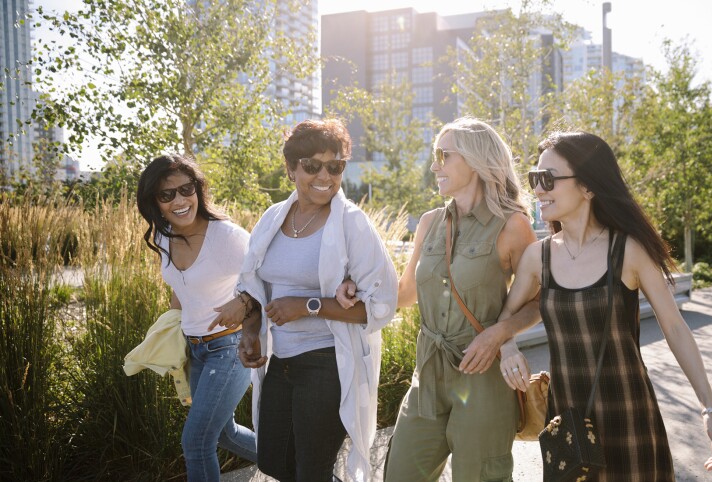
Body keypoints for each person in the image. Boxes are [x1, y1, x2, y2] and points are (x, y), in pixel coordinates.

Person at [494, 131, 712, 480]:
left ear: (588, 187)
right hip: (568, 423)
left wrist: (709, 409)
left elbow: (675, 329)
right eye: (534, 179)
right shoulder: (538, 257)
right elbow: (506, 316)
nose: (538, 189)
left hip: (630, 417)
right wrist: (508, 346)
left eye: (548, 179)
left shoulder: (629, 251)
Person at [337, 117, 540, 481]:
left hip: (483, 378)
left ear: (477, 160)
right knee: (399, 474)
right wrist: (354, 283)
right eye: (435, 155)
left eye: (444, 155)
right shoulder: (430, 223)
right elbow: (403, 294)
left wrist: (499, 335)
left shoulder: (512, 225)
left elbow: (539, 301)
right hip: (427, 375)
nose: (435, 165)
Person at [209, 119, 398, 482]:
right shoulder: (272, 220)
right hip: (282, 360)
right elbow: (253, 286)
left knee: (311, 470)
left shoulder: (351, 225)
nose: (325, 175)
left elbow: (382, 304)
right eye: (312, 166)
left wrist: (309, 305)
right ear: (291, 168)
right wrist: (250, 332)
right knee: (274, 462)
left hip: (328, 362)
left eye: (335, 166)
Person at [135, 154, 257, 482]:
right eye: (166, 194)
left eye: (186, 189)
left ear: (198, 190)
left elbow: (269, 279)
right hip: (196, 350)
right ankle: (304, 469)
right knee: (225, 434)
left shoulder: (227, 237)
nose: (179, 200)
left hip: (230, 349)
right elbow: (181, 287)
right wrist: (172, 335)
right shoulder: (163, 237)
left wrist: (243, 302)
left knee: (196, 440)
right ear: (155, 203)